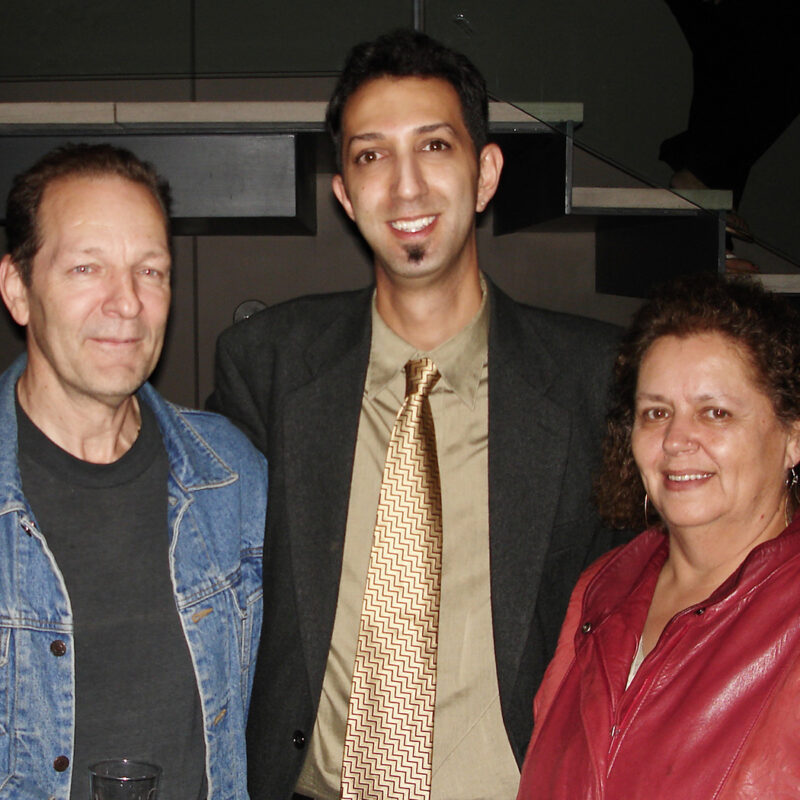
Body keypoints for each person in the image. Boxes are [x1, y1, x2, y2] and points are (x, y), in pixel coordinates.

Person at [209, 29, 622, 800]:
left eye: (434, 146)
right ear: (344, 193)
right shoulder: (266, 364)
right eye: (370, 156)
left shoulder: (593, 380)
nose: (404, 188)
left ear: (484, 173)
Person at [0, 143, 267, 799]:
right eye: (87, 268)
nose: (126, 303)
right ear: (18, 289)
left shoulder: (233, 475)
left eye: (151, 271)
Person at [517, 274, 800, 799]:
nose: (676, 439)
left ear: (792, 437)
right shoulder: (598, 590)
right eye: (656, 413)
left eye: (715, 412)